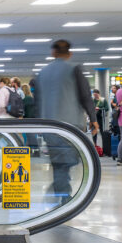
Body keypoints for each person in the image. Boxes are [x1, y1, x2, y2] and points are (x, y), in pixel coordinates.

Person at [35, 40, 98, 202]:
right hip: (71, 127)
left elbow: (38, 101)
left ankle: (60, 190)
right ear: (70, 54)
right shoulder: (74, 69)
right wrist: (93, 118)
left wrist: (39, 123)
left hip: (50, 126)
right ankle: (63, 194)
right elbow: (85, 96)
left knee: (59, 161)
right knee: (67, 161)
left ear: (53, 53)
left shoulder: (42, 73)